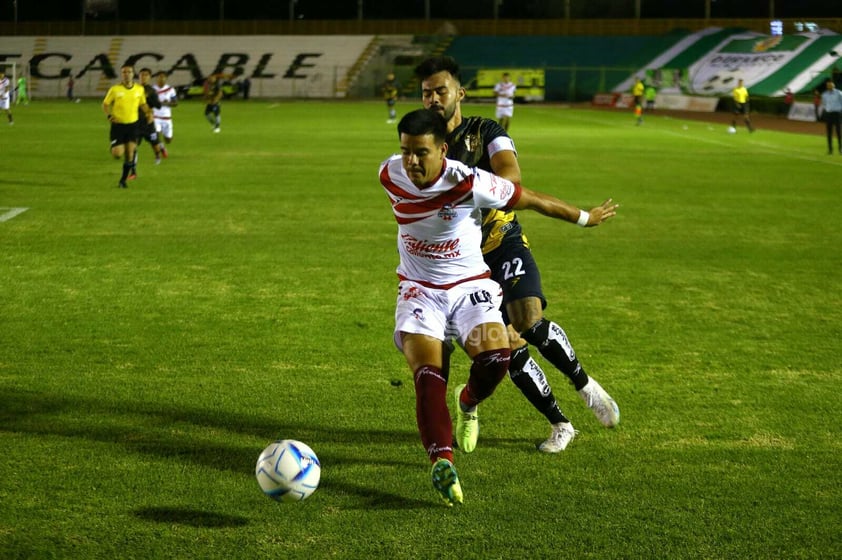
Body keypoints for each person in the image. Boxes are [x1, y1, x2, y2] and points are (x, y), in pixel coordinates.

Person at [380, 108, 618, 505]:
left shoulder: (471, 182)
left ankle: (468, 400)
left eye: (420, 152)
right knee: (427, 373)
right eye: (405, 151)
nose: (411, 162)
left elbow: (531, 199)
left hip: (471, 285)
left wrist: (584, 218)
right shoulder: (389, 173)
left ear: (443, 150)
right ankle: (442, 461)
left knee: (497, 358)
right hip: (419, 290)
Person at [415, 56, 620, 456]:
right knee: (507, 346)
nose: (434, 99)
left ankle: (586, 386)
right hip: (461, 263)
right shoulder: (421, 143)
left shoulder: (485, 130)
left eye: (441, 90)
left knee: (528, 316)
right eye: (427, 93)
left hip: (502, 239)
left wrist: (463, 185)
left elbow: (511, 179)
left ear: (460, 92)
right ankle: (559, 423)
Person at [102, 64, 152, 188]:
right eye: (124, 72)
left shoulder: (139, 89)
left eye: (129, 72)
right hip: (118, 126)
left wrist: (149, 113)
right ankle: (116, 147)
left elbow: (143, 104)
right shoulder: (115, 89)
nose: (126, 74)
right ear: (121, 74)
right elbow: (105, 104)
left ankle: (122, 181)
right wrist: (109, 115)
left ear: (133, 74)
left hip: (133, 125)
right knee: (117, 154)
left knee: (130, 154)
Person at [133, 68, 164, 172]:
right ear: (139, 76)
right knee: (133, 143)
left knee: (154, 142)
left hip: (147, 122)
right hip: (134, 121)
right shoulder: (133, 88)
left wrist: (149, 105)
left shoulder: (151, 91)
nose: (143, 77)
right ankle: (133, 163)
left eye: (146, 75)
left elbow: (158, 106)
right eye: (142, 74)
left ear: (150, 77)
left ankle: (158, 156)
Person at [153, 71, 178, 158]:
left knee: (168, 140)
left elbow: (175, 103)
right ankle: (162, 148)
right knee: (156, 134)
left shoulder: (170, 89)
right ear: (156, 78)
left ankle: (164, 144)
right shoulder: (153, 89)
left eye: (163, 77)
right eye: (159, 77)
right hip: (155, 116)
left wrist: (168, 103)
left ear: (166, 78)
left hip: (167, 117)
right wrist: (158, 103)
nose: (161, 78)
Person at [819, 78, 842, 155]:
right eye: (828, 85)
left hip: (837, 113)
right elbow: (824, 104)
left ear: (833, 85)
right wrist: (826, 111)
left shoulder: (839, 93)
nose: (829, 86)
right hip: (828, 114)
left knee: (838, 131)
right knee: (829, 132)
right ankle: (830, 149)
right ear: (827, 86)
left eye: (831, 84)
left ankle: (840, 148)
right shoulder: (824, 95)